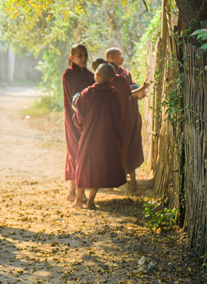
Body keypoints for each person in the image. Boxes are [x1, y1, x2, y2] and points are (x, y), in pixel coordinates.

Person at [72, 63, 126, 209]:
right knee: (97, 168)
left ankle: (78, 201)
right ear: (112, 79)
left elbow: (80, 115)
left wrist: (77, 119)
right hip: (106, 138)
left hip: (89, 135)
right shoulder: (114, 94)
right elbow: (117, 116)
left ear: (96, 75)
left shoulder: (87, 93)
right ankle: (91, 202)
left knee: (83, 166)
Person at [105, 48, 150, 191]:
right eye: (120, 56)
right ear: (111, 58)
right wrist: (139, 90)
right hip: (114, 118)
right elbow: (122, 92)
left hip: (128, 117)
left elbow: (129, 88)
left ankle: (132, 181)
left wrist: (139, 92)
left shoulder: (123, 73)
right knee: (114, 148)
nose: (122, 58)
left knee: (129, 146)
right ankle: (111, 182)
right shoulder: (106, 73)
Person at [62, 44, 95, 202]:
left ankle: (74, 191)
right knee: (76, 153)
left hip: (88, 120)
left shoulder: (90, 75)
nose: (83, 58)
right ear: (72, 57)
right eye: (79, 55)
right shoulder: (68, 75)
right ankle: (75, 191)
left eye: (85, 55)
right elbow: (74, 99)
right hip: (74, 118)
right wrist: (81, 115)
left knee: (84, 154)